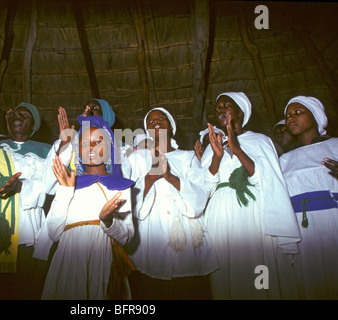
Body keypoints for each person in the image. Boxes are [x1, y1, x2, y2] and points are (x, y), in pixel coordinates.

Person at [0, 102, 71, 299]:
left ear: (34, 127)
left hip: (25, 218)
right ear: (8, 125)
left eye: (25, 115)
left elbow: (48, 184)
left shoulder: (44, 151)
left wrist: (65, 143)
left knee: (21, 284)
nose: (19, 115)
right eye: (16, 113)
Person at [201, 92, 301, 300]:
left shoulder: (260, 141)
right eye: (217, 107)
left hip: (253, 212)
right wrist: (217, 157)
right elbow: (205, 186)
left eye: (226, 105)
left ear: (241, 112)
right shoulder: (213, 146)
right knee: (223, 274)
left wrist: (237, 150)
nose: (219, 109)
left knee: (258, 271)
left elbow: (267, 179)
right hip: (219, 215)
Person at [126, 107, 218, 300]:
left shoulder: (187, 157)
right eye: (150, 121)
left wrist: (169, 176)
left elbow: (200, 199)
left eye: (161, 118)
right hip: (149, 241)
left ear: (171, 127)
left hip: (187, 243)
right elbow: (129, 203)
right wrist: (151, 177)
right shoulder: (136, 158)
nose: (155, 122)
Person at [41, 115, 135, 300]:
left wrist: (109, 222)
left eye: (98, 142)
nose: (91, 148)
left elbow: (127, 237)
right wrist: (65, 190)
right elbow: (54, 232)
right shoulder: (69, 183)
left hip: (103, 257)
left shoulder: (121, 186)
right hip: (70, 257)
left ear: (110, 149)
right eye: (84, 143)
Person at [280, 96, 338, 299]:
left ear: (315, 116)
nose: (290, 119)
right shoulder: (284, 159)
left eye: (297, 113)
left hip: (331, 221)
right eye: (287, 115)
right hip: (300, 230)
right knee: (309, 284)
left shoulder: (335, 146)